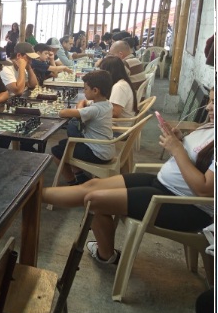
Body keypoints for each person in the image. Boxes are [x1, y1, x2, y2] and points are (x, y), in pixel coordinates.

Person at [43, 88, 214, 265]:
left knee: (93, 200)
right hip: (162, 184)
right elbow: (196, 160)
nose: (208, 107)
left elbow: (204, 189)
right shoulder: (210, 126)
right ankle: (34, 194)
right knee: (92, 185)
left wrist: (177, 149)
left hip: (185, 205)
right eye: (209, 100)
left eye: (214, 102)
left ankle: (106, 255)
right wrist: (180, 141)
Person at [51, 70, 116, 186]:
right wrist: (81, 107)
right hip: (105, 149)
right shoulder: (107, 104)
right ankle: (80, 176)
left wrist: (79, 108)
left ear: (95, 90)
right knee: (65, 143)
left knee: (56, 151)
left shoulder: (94, 109)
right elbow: (83, 102)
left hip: (96, 153)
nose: (83, 91)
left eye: (85, 89)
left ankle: (73, 183)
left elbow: (63, 113)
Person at [97, 56, 138, 120]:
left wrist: (95, 111)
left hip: (117, 124)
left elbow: (115, 113)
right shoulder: (123, 82)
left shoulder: (119, 87)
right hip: (119, 122)